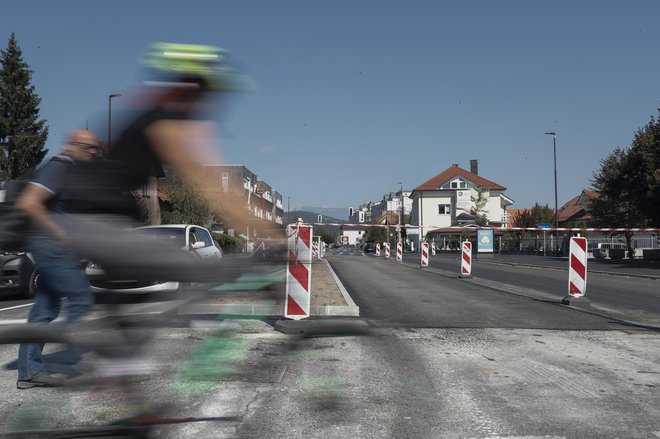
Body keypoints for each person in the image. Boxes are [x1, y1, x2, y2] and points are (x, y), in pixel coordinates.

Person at [14, 130, 100, 389]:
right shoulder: (58, 167)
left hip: (56, 249)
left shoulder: (68, 170)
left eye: (95, 149)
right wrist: (60, 234)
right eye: (88, 148)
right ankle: (61, 356)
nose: (92, 153)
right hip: (52, 248)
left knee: (44, 309)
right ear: (72, 146)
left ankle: (29, 371)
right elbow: (29, 203)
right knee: (82, 299)